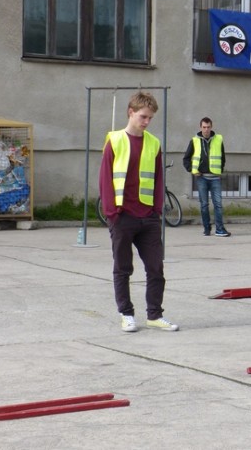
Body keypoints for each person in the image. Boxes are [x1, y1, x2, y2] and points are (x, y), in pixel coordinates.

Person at [99, 91, 179, 332]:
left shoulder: (154, 143)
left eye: (150, 118)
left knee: (156, 268)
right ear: (131, 112)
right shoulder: (114, 140)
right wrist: (112, 213)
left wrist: (156, 210)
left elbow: (157, 179)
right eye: (143, 116)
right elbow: (105, 180)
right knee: (123, 269)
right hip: (122, 217)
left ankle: (154, 315)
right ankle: (126, 314)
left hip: (148, 218)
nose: (146, 122)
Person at [183, 117, 231, 237]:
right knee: (204, 205)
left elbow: (223, 157)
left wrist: (220, 169)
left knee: (218, 204)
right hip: (202, 178)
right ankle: (207, 229)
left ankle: (219, 229)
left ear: (211, 126)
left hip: (215, 178)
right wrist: (192, 170)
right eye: (204, 127)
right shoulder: (194, 141)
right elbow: (186, 158)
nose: (206, 129)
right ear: (200, 127)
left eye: (208, 127)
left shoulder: (218, 139)